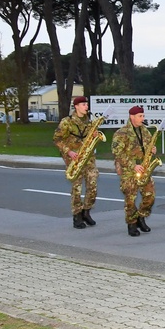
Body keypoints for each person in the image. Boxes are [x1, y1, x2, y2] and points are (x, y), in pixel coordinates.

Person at [53, 96, 101, 229]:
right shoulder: (67, 122)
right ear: (77, 106)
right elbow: (57, 140)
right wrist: (69, 152)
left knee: (93, 186)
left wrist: (94, 136)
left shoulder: (89, 122)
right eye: (84, 104)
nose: (87, 107)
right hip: (74, 159)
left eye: (87, 104)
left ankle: (86, 211)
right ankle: (77, 216)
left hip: (89, 158)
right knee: (77, 188)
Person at [111, 105, 156, 237]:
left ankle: (141, 217)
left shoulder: (145, 131)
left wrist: (152, 149)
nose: (143, 118)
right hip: (129, 171)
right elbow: (117, 153)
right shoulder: (121, 133)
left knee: (150, 196)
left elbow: (148, 146)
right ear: (132, 117)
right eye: (140, 116)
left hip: (144, 169)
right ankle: (132, 224)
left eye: (143, 116)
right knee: (130, 199)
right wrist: (132, 165)